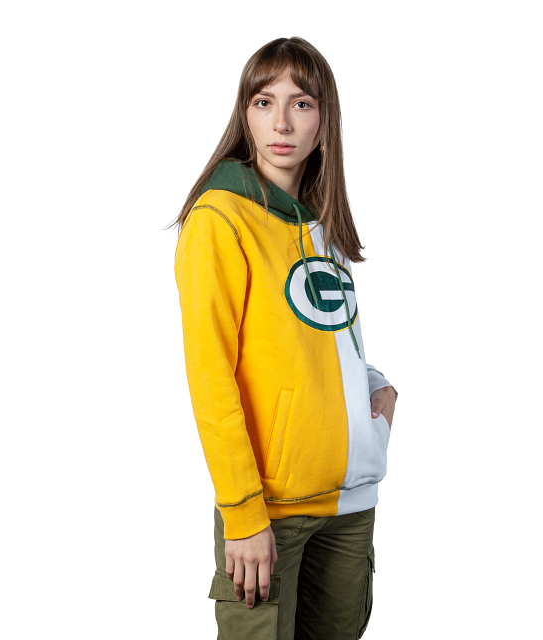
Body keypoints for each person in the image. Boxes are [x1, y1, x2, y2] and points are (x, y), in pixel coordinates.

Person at [170, 36, 398, 640]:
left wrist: (378, 389)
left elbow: (328, 344)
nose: (281, 123)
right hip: (270, 511)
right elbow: (210, 376)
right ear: (244, 115)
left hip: (350, 503)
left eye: (301, 103)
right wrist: (243, 513)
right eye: (263, 101)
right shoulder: (219, 219)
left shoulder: (324, 222)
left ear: (324, 122)